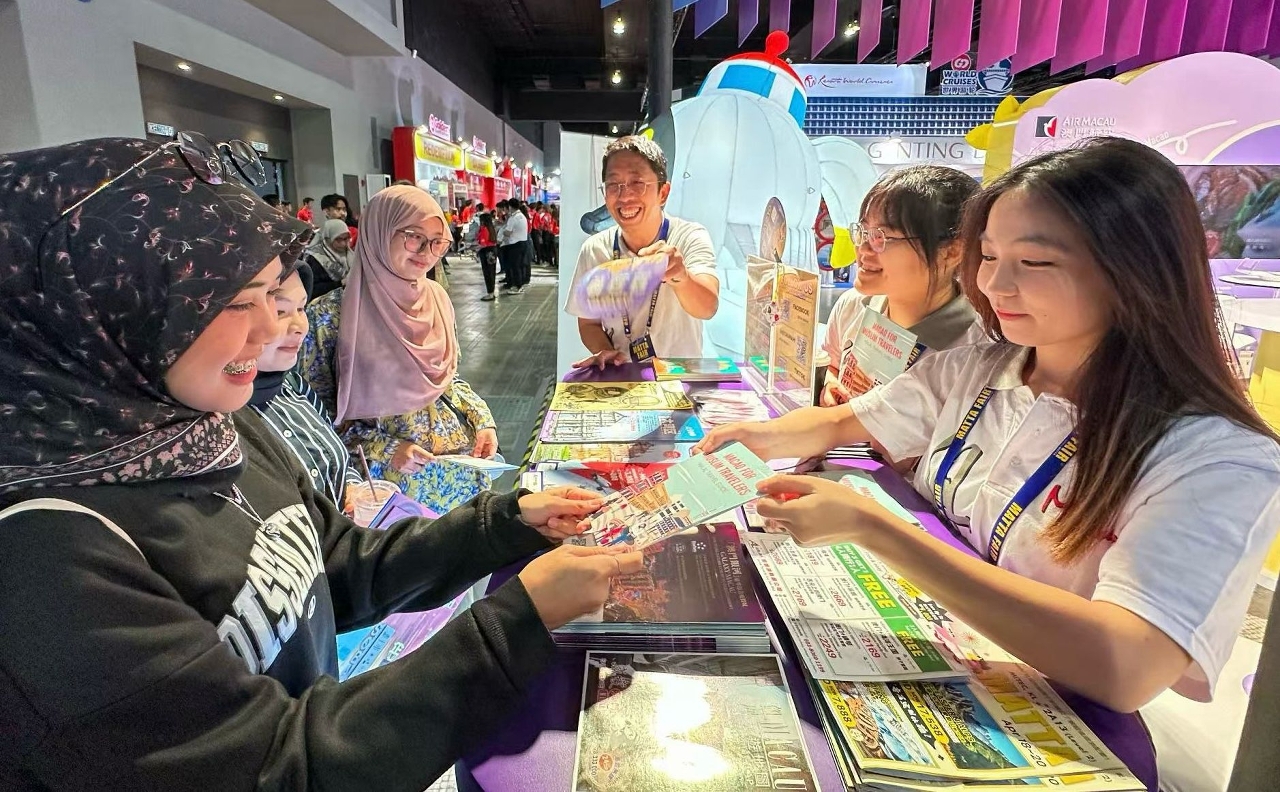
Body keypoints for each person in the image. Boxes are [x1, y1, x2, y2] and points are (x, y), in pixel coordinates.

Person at [0, 137, 642, 789]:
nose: (271, 330)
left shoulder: (209, 426)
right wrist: (516, 622)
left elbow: (338, 564)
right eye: (231, 301)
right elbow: (277, 766)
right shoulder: (46, 556)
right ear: (103, 311)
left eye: (273, 298)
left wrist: (506, 522)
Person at [696, 139, 1280, 734]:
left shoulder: (1216, 456)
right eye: (991, 255)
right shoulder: (981, 364)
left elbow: (1127, 667)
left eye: (1035, 262)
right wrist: (753, 436)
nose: (995, 284)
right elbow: (847, 420)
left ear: (1135, 269)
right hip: (937, 654)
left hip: (1058, 721)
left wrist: (876, 529)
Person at [302, 186, 501, 513]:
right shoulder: (328, 316)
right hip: (390, 488)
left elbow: (448, 382)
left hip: (459, 474)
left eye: (437, 242)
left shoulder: (436, 299)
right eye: (414, 237)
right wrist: (386, 448)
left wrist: (482, 420)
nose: (426, 252)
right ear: (379, 232)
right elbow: (315, 419)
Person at [820, 165, 985, 407]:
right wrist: (831, 384)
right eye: (863, 232)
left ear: (951, 251)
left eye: (881, 237)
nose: (863, 249)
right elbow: (833, 364)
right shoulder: (853, 305)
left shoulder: (975, 351)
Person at [566, 135, 719, 367]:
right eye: (613, 185)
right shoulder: (595, 249)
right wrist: (606, 351)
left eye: (637, 183)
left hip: (680, 378)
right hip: (623, 379)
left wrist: (681, 276)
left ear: (663, 193)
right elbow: (588, 323)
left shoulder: (689, 237)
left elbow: (707, 307)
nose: (625, 196)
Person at [248, 265, 362, 509]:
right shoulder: (222, 420)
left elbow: (338, 460)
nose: (300, 325)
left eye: (301, 308)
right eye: (280, 311)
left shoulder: (293, 385)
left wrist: (353, 489)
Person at [303, 218, 354, 300]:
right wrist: (340, 283)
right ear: (327, 239)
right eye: (338, 239)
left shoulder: (350, 254)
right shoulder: (315, 258)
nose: (343, 243)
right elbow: (311, 289)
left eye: (346, 238)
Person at [499, 197, 530, 293]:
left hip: (515, 245)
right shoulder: (522, 216)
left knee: (515, 266)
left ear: (510, 207)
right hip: (523, 243)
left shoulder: (513, 218)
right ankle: (520, 284)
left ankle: (517, 286)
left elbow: (508, 232)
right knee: (520, 266)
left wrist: (502, 231)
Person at [476, 211, 500, 302]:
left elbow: (483, 244)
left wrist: (475, 248)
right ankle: (491, 292)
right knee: (491, 272)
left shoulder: (484, 229)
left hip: (487, 252)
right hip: (492, 250)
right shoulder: (491, 228)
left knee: (487, 272)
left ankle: (490, 293)